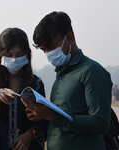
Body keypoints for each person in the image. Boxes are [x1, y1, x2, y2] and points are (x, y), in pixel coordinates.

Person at [21, 11, 113, 150]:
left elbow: (100, 123)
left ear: (69, 38)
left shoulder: (92, 71)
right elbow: (66, 116)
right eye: (44, 50)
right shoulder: (61, 72)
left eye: (51, 47)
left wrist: (52, 116)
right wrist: (42, 115)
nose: (48, 54)